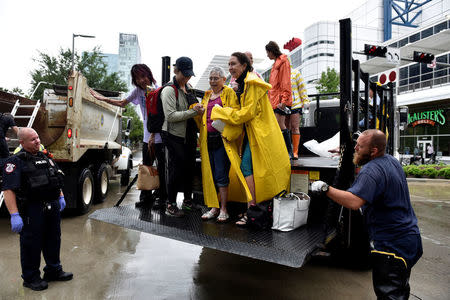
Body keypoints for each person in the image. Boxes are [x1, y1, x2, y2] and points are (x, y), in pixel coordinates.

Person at [311, 129, 422, 299]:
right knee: (400, 288)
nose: (356, 148)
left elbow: (354, 202)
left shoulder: (371, 170)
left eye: (360, 146)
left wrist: (325, 188)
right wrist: (354, 145)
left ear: (374, 151)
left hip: (391, 247)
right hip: (410, 239)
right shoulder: (391, 161)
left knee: (390, 295)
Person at [211, 52, 291, 226]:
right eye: (229, 64)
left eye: (233, 64)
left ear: (244, 66)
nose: (230, 67)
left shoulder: (251, 83)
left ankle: (252, 210)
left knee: (246, 167)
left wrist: (220, 111)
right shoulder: (243, 83)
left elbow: (247, 113)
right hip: (252, 133)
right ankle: (252, 209)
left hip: (260, 133)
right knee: (250, 168)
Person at [2, 128, 73, 291]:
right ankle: (31, 277)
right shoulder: (15, 162)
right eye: (33, 139)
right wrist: (14, 215)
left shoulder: (45, 157)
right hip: (32, 208)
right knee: (31, 244)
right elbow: (8, 190)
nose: (38, 141)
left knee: (53, 239)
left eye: (38, 137)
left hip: (52, 205)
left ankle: (53, 270)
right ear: (22, 142)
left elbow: (55, 178)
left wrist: (60, 196)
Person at [90, 64, 161, 207]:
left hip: (160, 136)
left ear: (149, 75)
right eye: (137, 78)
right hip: (148, 136)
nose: (141, 80)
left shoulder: (159, 90)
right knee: (146, 168)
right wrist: (102, 99)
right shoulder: (138, 91)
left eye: (143, 76)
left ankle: (161, 198)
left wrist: (153, 135)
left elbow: (158, 115)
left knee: (162, 168)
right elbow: (122, 103)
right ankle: (145, 198)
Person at [196, 67, 242, 223]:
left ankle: (223, 209)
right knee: (210, 174)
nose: (212, 81)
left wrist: (221, 111)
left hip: (222, 138)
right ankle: (213, 207)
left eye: (216, 78)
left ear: (224, 79)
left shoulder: (228, 93)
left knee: (221, 174)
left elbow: (235, 112)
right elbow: (202, 117)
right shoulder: (207, 95)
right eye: (211, 78)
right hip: (207, 138)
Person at [161, 57, 204, 217]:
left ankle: (187, 202)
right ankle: (170, 204)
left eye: (189, 74)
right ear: (175, 71)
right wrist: (194, 112)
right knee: (175, 169)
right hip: (173, 135)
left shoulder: (188, 87)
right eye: (183, 74)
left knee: (189, 168)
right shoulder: (169, 90)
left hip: (189, 134)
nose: (187, 77)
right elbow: (170, 116)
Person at [265, 41, 293, 157]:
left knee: (280, 124)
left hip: (280, 100)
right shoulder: (276, 63)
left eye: (267, 52)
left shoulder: (282, 62)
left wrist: (284, 101)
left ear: (272, 51)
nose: (267, 55)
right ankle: (282, 151)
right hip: (274, 100)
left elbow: (285, 82)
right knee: (277, 125)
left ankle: (288, 151)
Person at [286, 68, 309, 160]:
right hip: (284, 104)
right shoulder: (279, 74)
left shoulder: (295, 73)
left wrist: (305, 101)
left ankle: (295, 152)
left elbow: (302, 87)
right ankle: (288, 151)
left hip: (296, 104)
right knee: (285, 128)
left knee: (295, 127)